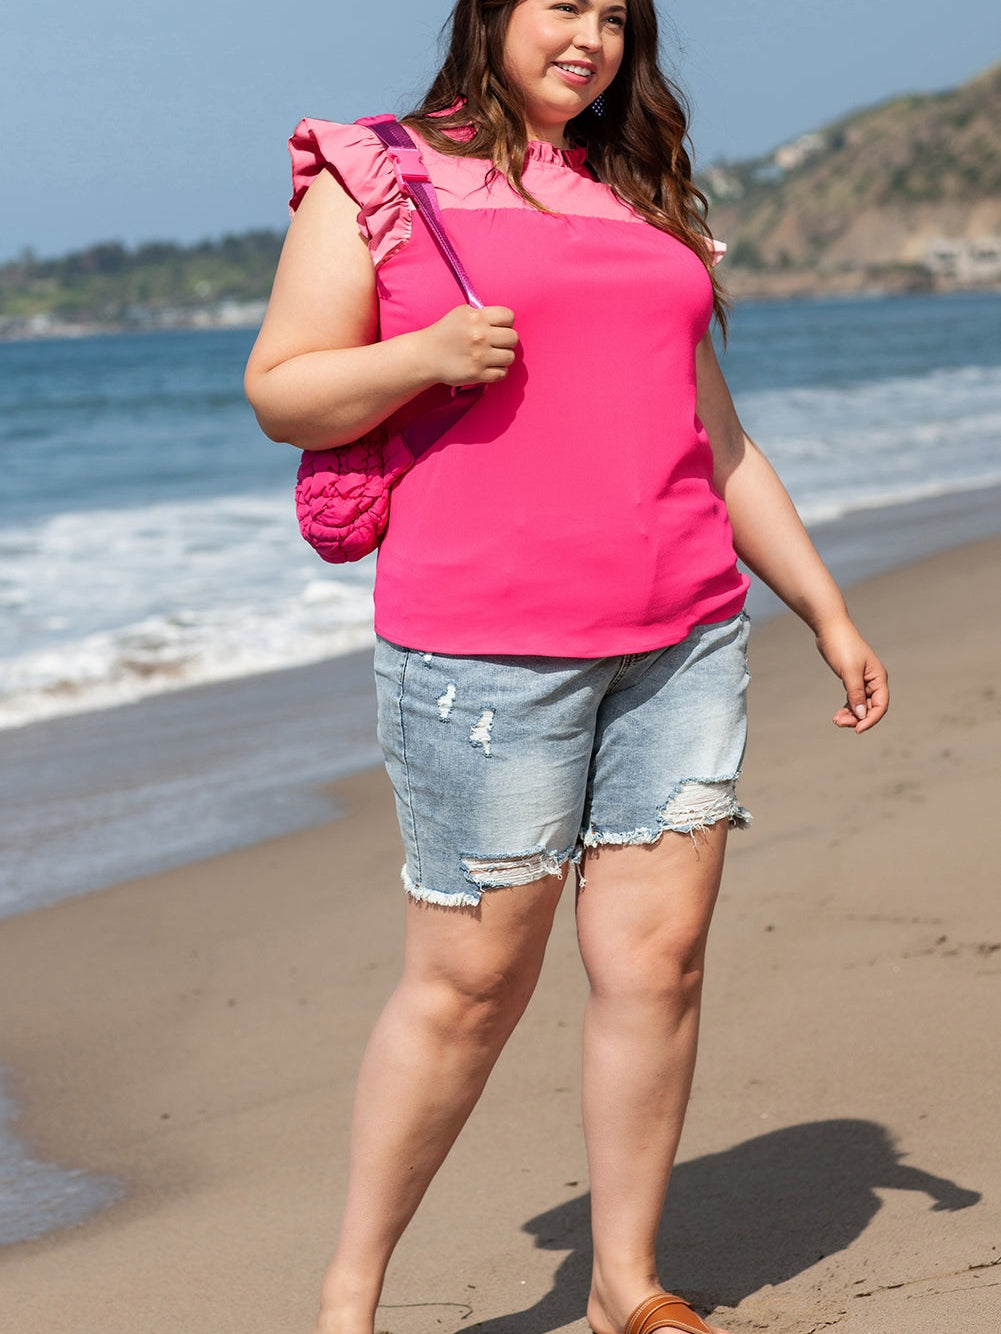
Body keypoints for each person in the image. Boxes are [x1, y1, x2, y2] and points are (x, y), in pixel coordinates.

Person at [244, 3, 889, 1332]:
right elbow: (282, 388)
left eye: (614, 15)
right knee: (471, 981)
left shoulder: (643, 193)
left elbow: (715, 439)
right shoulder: (380, 169)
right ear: (489, 13)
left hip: (684, 636)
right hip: (482, 652)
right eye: (562, 5)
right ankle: (349, 1296)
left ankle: (623, 1287)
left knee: (657, 963)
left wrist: (822, 607)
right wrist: (420, 356)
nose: (588, 36)